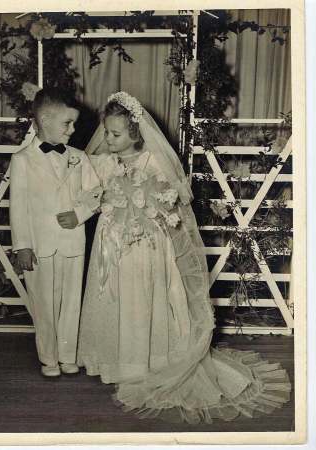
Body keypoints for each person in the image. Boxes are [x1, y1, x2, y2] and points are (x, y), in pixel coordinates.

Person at [77, 91, 291, 423]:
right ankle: (116, 359)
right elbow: (88, 188)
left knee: (142, 298)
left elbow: (173, 201)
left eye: (115, 134)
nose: (108, 139)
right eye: (107, 132)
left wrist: (147, 209)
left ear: (136, 133)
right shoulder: (106, 161)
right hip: (113, 241)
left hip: (145, 243)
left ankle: (144, 360)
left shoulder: (154, 161)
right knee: (115, 297)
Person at [9, 88, 101, 377]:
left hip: (73, 243)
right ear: (45, 119)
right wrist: (21, 245)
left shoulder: (79, 158)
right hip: (39, 246)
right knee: (44, 305)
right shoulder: (22, 160)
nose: (73, 130)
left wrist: (80, 214)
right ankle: (49, 358)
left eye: (74, 123)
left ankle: (67, 355)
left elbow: (96, 194)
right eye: (67, 123)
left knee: (71, 302)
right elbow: (18, 207)